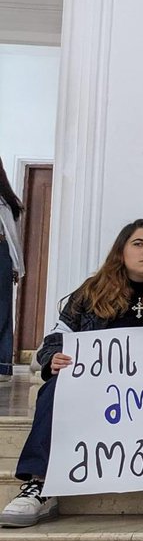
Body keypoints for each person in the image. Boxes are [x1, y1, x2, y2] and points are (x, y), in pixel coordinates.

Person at [0, 220, 143, 528]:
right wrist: (51, 359)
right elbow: (56, 338)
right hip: (100, 392)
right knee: (54, 388)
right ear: (121, 252)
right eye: (138, 244)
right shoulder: (90, 294)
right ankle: (41, 483)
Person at [0, 159, 23, 378]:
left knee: (3, 310)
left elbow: (13, 236)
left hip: (1, 254)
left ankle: (2, 365)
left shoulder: (5, 201)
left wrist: (17, 265)